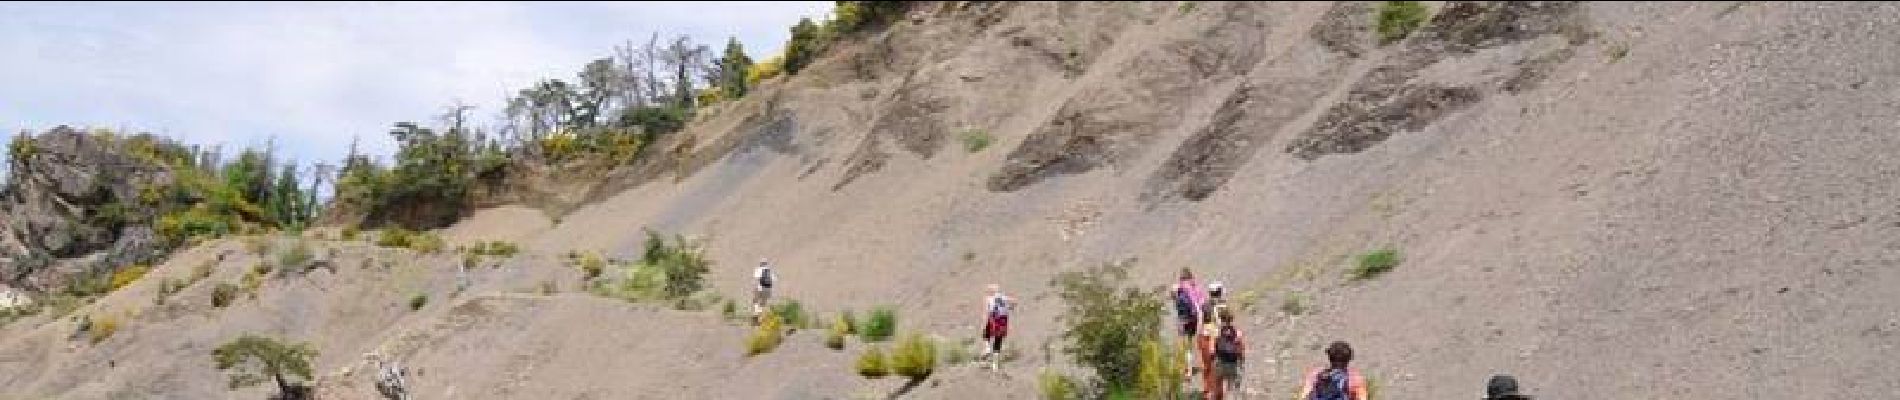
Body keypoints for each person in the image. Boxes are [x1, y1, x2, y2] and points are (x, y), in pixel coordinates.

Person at [1299, 341, 1369, 400]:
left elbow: (1304, 396)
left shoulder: (1315, 373)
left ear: (1329, 357)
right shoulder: (1355, 378)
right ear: (1349, 359)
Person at [1171, 268, 1206, 375]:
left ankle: (1188, 370)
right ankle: (1204, 364)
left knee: (1185, 346)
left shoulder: (1178, 287)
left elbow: (1173, 298)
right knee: (1194, 343)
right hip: (1194, 319)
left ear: (1181, 277)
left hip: (1182, 320)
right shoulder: (1195, 287)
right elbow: (1202, 303)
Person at [1208, 308, 1245, 400]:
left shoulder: (1217, 332)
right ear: (1231, 319)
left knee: (1218, 386)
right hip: (1233, 363)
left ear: (1221, 319)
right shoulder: (1237, 332)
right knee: (1231, 388)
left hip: (1220, 363)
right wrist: (1241, 363)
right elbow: (1241, 350)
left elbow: (1212, 351)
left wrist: (1213, 361)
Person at [980, 283, 1014, 370]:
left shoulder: (989, 298)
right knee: (998, 342)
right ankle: (995, 365)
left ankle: (987, 348)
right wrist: (1009, 307)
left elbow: (987, 311)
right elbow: (1014, 302)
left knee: (986, 333)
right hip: (1003, 320)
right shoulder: (1004, 297)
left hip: (994, 317)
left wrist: (984, 322)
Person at [752, 258, 775, 324]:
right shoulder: (769, 271)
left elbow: (756, 278)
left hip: (760, 288)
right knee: (763, 303)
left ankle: (756, 314)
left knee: (755, 301)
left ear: (760, 263)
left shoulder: (758, 269)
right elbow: (774, 279)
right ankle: (759, 317)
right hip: (768, 289)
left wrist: (755, 288)